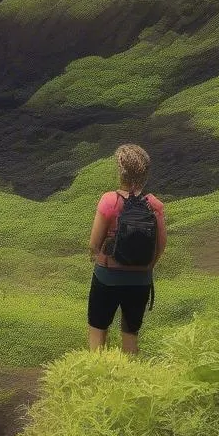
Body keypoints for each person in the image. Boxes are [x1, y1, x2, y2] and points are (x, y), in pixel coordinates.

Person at [87, 143, 166, 355]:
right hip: (140, 280)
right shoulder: (155, 205)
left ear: (120, 171)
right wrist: (144, 268)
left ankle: (98, 377)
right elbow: (160, 247)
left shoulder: (109, 201)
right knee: (130, 336)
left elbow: (94, 243)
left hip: (107, 277)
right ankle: (130, 378)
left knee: (98, 329)